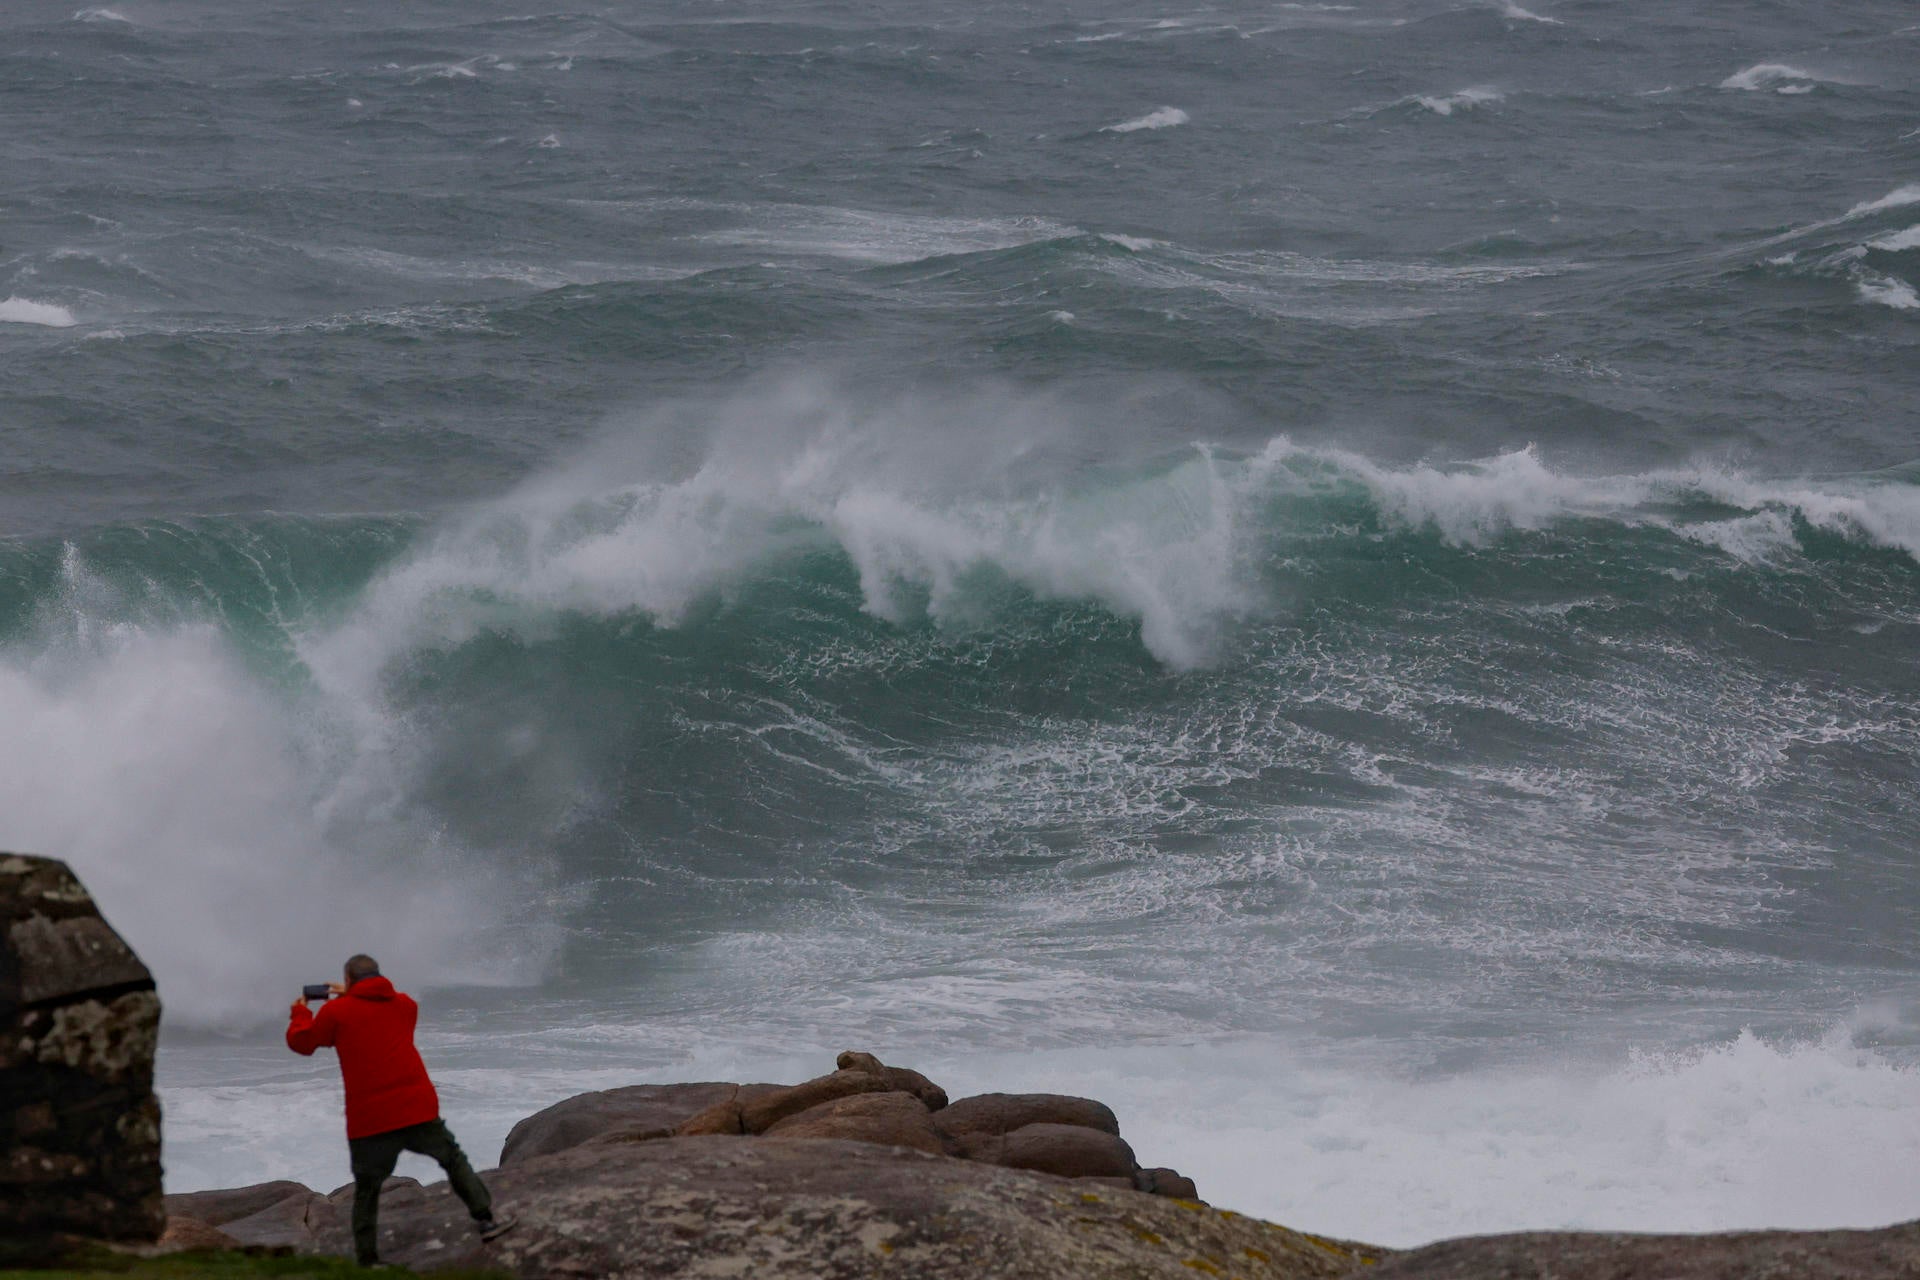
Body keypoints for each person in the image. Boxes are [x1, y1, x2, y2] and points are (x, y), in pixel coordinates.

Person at [287, 954, 515, 1267]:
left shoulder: (336, 1012)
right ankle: (487, 1221)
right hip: (416, 1109)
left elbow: (304, 1043)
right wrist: (351, 992)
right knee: (453, 1160)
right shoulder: (406, 1005)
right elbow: (383, 1002)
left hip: (371, 1119)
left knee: (368, 1189)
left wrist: (300, 1013)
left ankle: (368, 1261)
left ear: (350, 980)